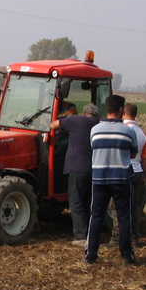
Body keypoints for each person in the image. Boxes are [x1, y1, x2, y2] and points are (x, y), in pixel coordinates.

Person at [85, 95, 138, 265]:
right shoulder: (129, 131)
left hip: (99, 179)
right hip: (121, 179)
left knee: (96, 216)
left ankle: (91, 255)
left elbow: (93, 148)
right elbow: (133, 153)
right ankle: (126, 255)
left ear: (107, 109)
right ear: (121, 110)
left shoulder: (94, 130)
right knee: (123, 217)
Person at [49, 103, 101, 244]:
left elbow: (53, 125)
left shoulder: (77, 120)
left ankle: (81, 237)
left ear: (84, 113)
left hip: (77, 168)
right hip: (96, 170)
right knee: (91, 202)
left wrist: (66, 129)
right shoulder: (100, 125)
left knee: (76, 203)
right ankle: (93, 234)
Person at [122, 102, 146, 241]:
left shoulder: (122, 130)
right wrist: (144, 176)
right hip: (137, 172)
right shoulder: (142, 134)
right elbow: (145, 159)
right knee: (134, 206)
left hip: (124, 172)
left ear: (124, 114)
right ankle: (134, 236)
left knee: (120, 206)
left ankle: (121, 236)